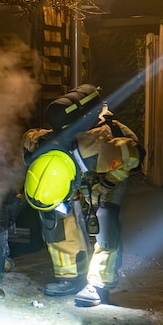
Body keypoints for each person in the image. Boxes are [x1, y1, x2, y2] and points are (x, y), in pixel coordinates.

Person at [23, 86, 141, 307]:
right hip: (77, 175)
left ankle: (99, 284)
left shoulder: (99, 150)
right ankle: (71, 276)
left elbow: (134, 157)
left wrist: (107, 183)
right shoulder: (37, 147)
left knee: (105, 221)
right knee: (56, 218)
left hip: (112, 172)